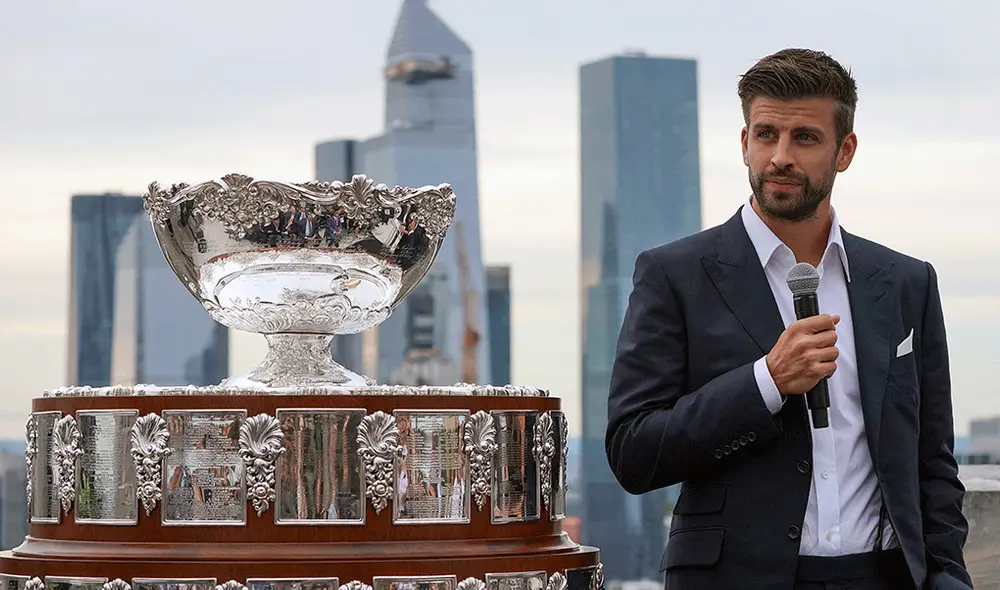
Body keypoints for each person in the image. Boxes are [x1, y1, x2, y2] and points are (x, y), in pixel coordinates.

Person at [605, 48, 972, 590]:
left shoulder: (905, 282)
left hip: (883, 577)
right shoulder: (674, 274)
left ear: (844, 151)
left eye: (804, 138)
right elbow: (633, 452)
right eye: (765, 134)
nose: (780, 156)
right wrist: (766, 381)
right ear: (744, 143)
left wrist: (947, 577)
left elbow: (932, 458)